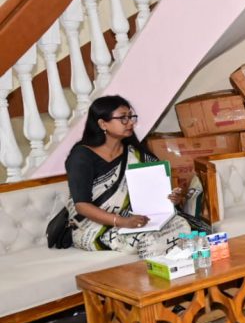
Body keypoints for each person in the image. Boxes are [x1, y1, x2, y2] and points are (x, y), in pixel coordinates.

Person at [64, 95, 196, 258]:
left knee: (181, 224)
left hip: (134, 219)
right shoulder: (81, 156)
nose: (130, 123)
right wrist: (121, 222)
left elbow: (154, 189)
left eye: (131, 117)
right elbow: (82, 206)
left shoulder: (134, 153)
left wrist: (170, 198)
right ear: (102, 124)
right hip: (94, 226)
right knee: (150, 240)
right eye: (123, 118)